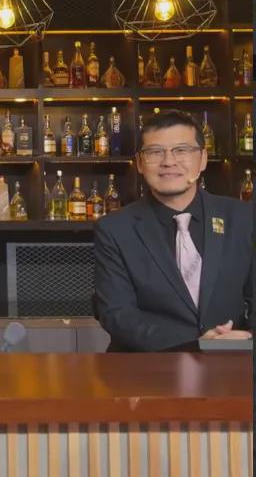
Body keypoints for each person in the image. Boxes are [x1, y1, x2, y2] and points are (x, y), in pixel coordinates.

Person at [94, 109, 252, 351]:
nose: (169, 161)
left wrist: (247, 337)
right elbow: (117, 314)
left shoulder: (243, 218)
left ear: (203, 158)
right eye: (155, 152)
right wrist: (197, 344)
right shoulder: (114, 229)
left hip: (231, 360)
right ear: (139, 163)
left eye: (182, 150)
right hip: (149, 365)